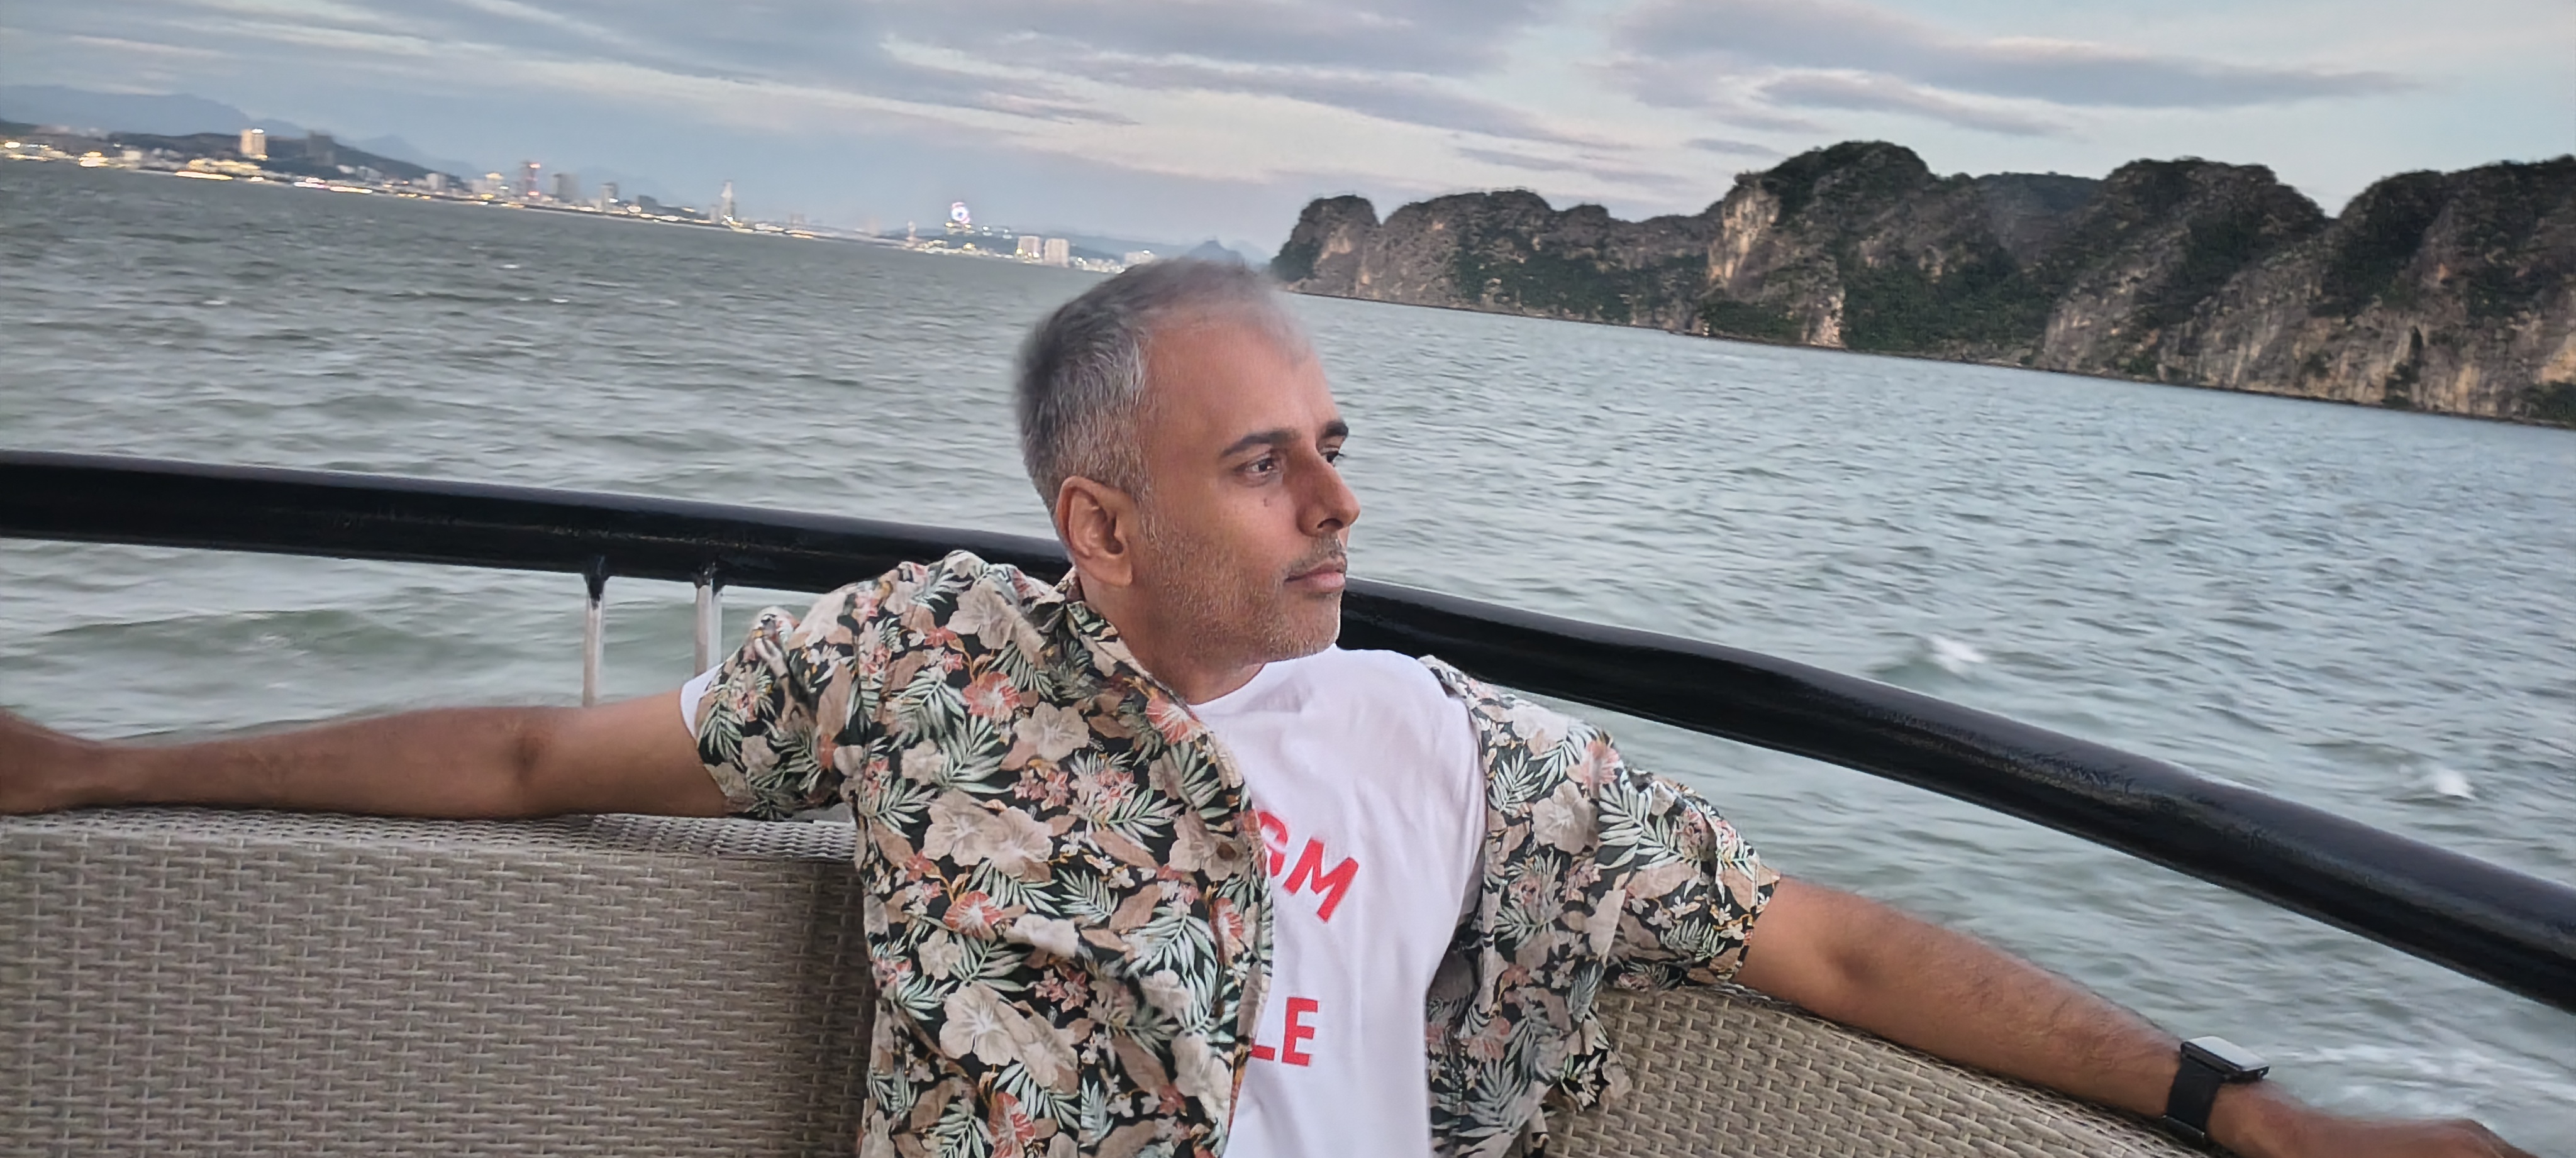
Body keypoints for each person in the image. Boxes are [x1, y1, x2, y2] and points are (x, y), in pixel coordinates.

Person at [0, 260, 2535, 1158]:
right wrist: (104, 771)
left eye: (1336, 441)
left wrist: (2249, 1104)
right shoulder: (921, 668)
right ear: (1097, 525)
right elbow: (540, 756)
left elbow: (1836, 946)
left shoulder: (1448, 741)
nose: (1338, 495)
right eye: (1264, 457)